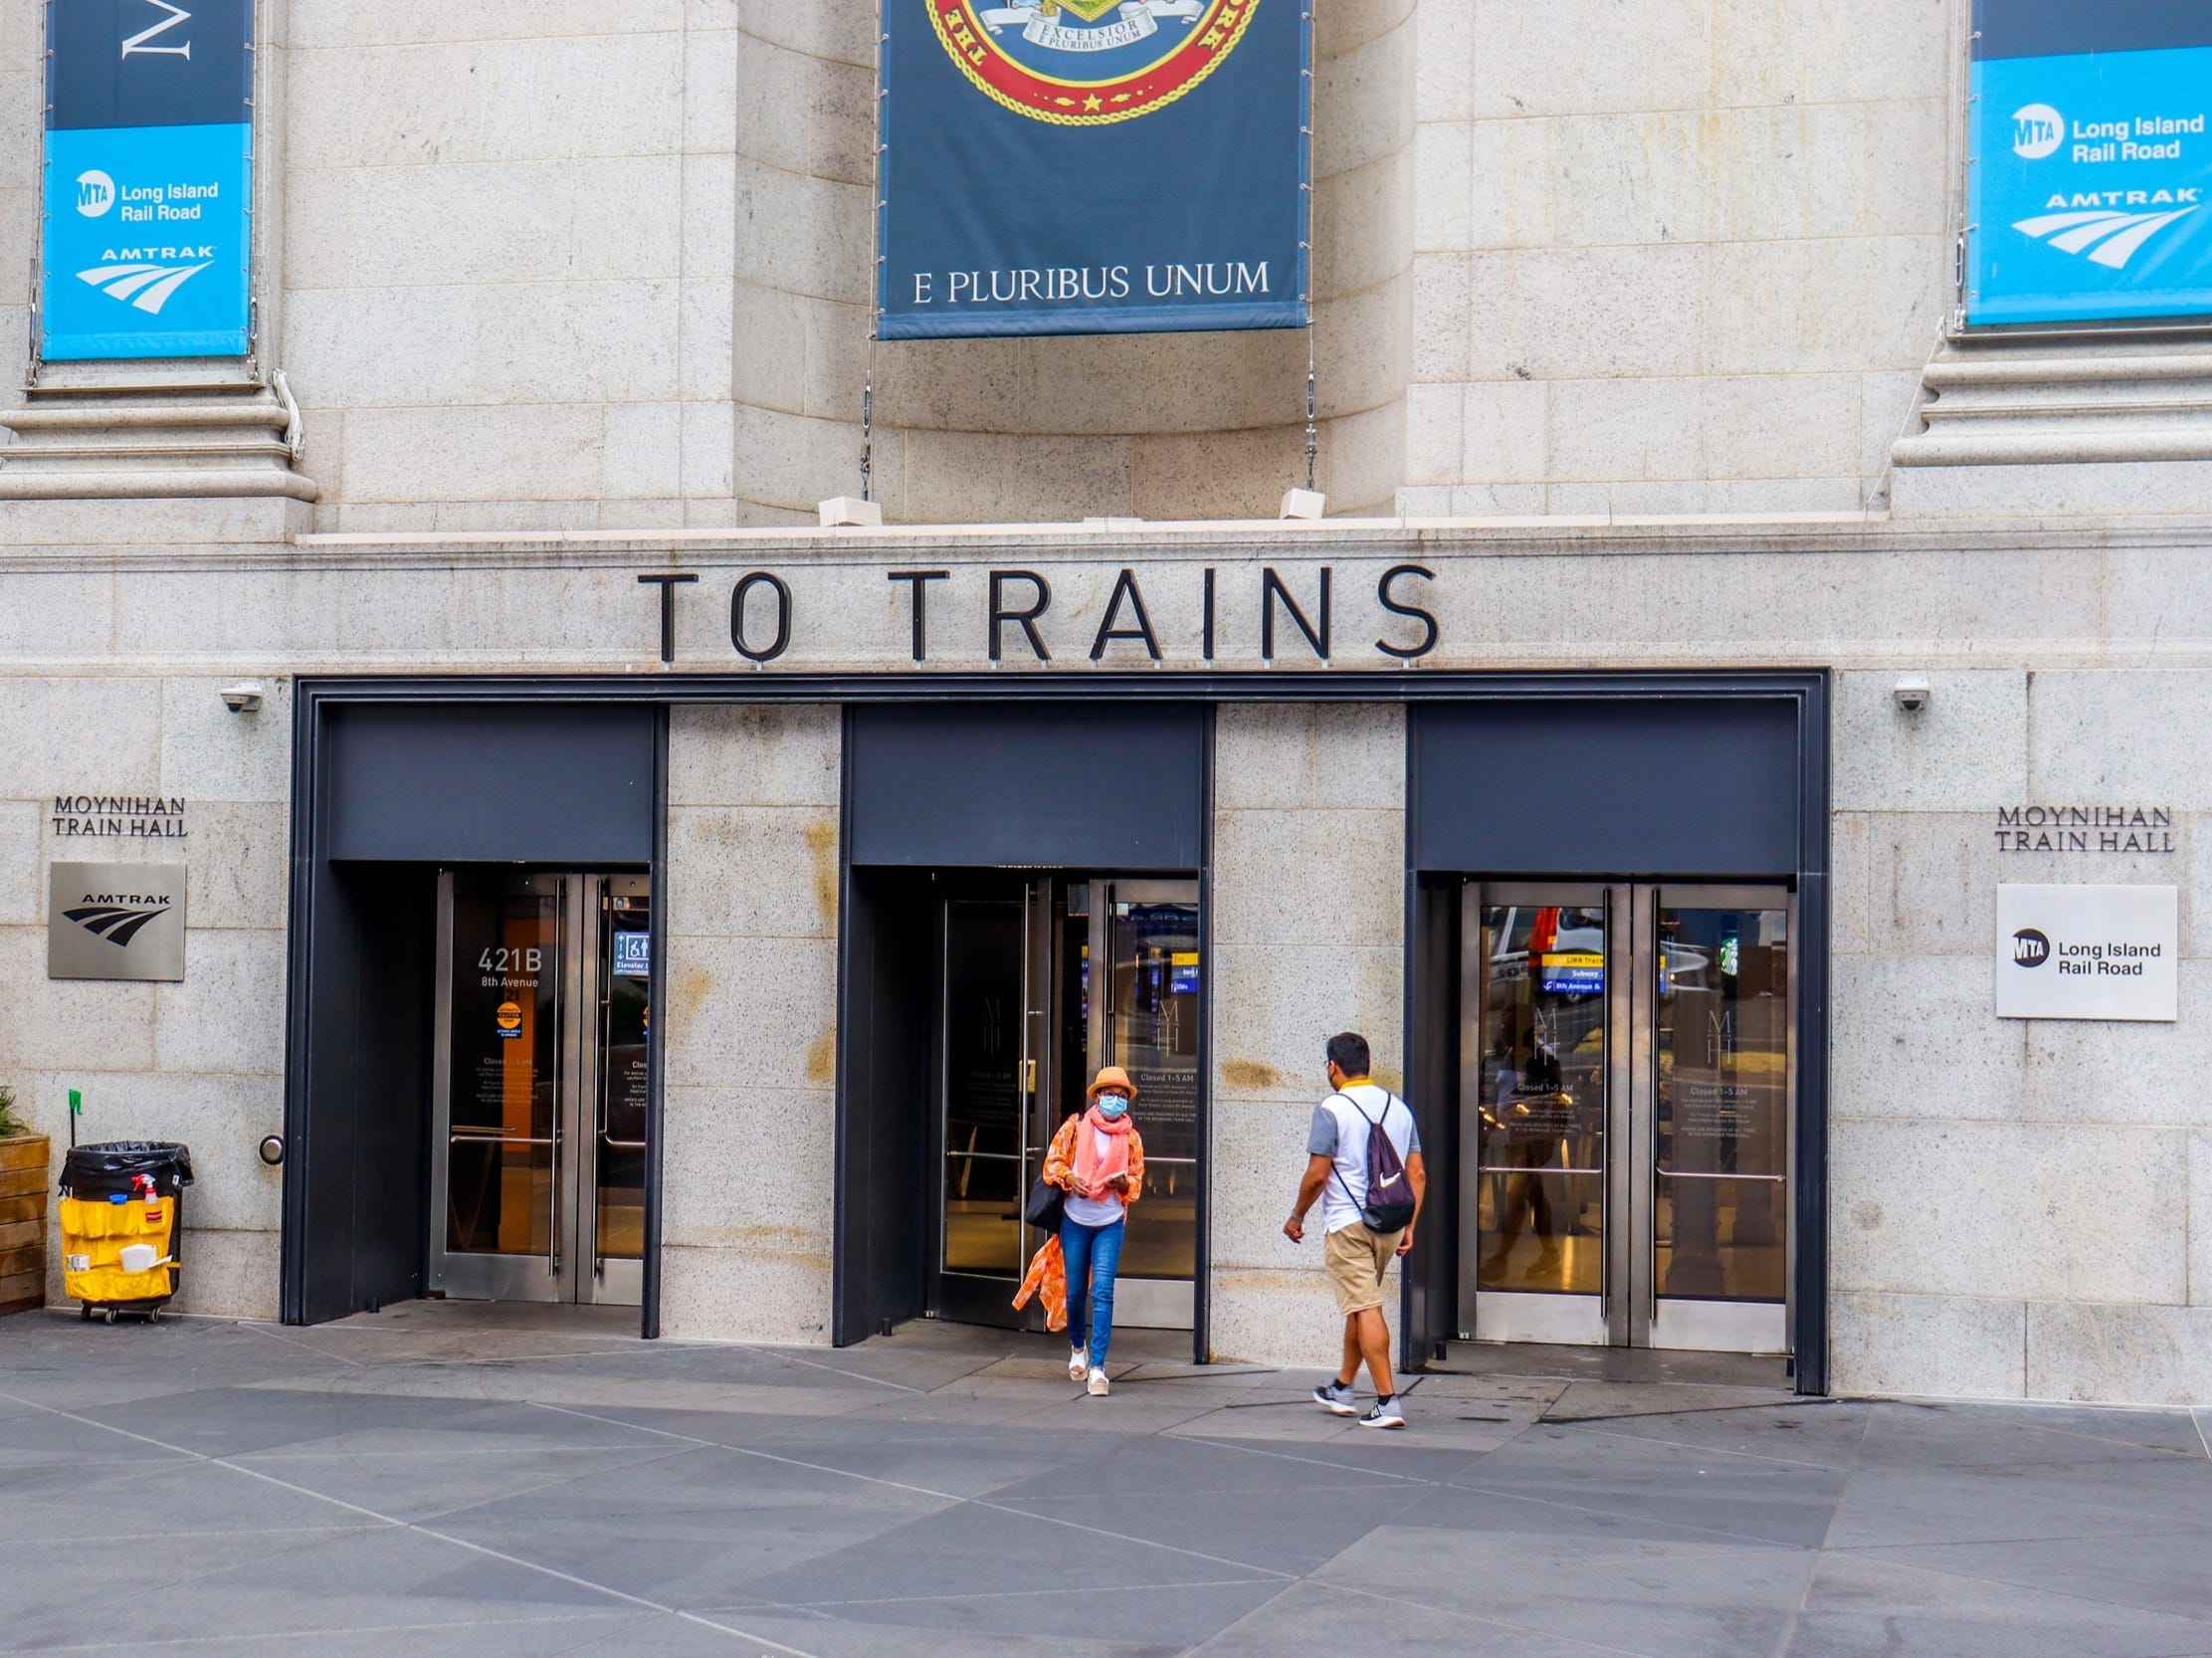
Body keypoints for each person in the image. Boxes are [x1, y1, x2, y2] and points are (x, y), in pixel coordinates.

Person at [1284, 1031, 1426, 1429]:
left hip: (1348, 1225)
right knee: (1359, 1305)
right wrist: (1410, 1226)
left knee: (1365, 1307)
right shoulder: (1398, 1109)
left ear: (1333, 1065)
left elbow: (1317, 1175)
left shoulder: (1331, 1108)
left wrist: (1297, 1216)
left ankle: (1387, 1401)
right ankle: (1343, 1387)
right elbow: (1417, 1173)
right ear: (1369, 1064)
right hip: (1390, 1225)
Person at [1043, 1064, 1145, 1396]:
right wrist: (1071, 1178)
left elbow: (1137, 1182)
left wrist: (1122, 1182)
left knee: (1103, 1291)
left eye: (1121, 1095)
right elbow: (1052, 1164)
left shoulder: (1131, 1138)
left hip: (1110, 1222)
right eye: (1109, 1093)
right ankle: (1077, 1348)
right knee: (1075, 1292)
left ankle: (1098, 1367)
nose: (1115, 1100)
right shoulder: (1076, 1127)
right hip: (1075, 1219)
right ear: (1097, 1096)